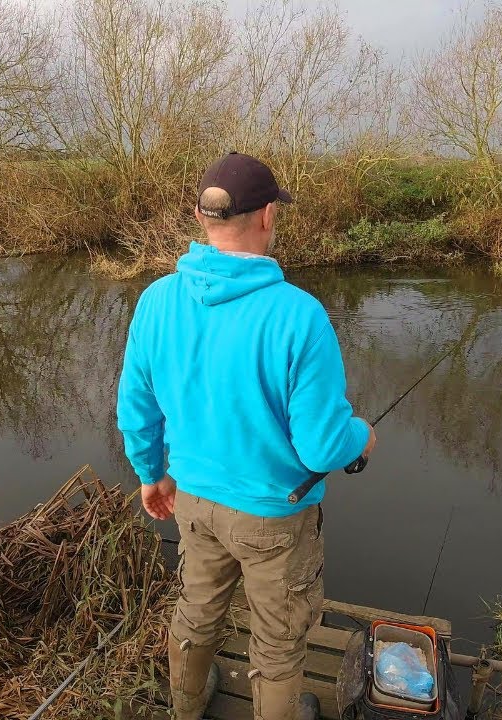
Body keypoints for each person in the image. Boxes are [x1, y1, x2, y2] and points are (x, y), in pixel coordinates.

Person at [117, 152, 376, 720]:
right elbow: (322, 447)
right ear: (266, 217)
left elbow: (136, 409)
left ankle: (186, 708)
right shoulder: (299, 316)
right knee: (280, 642)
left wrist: (150, 475)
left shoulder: (156, 299)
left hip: (191, 500)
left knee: (195, 612)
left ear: (200, 216)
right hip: (274, 517)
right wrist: (362, 438)